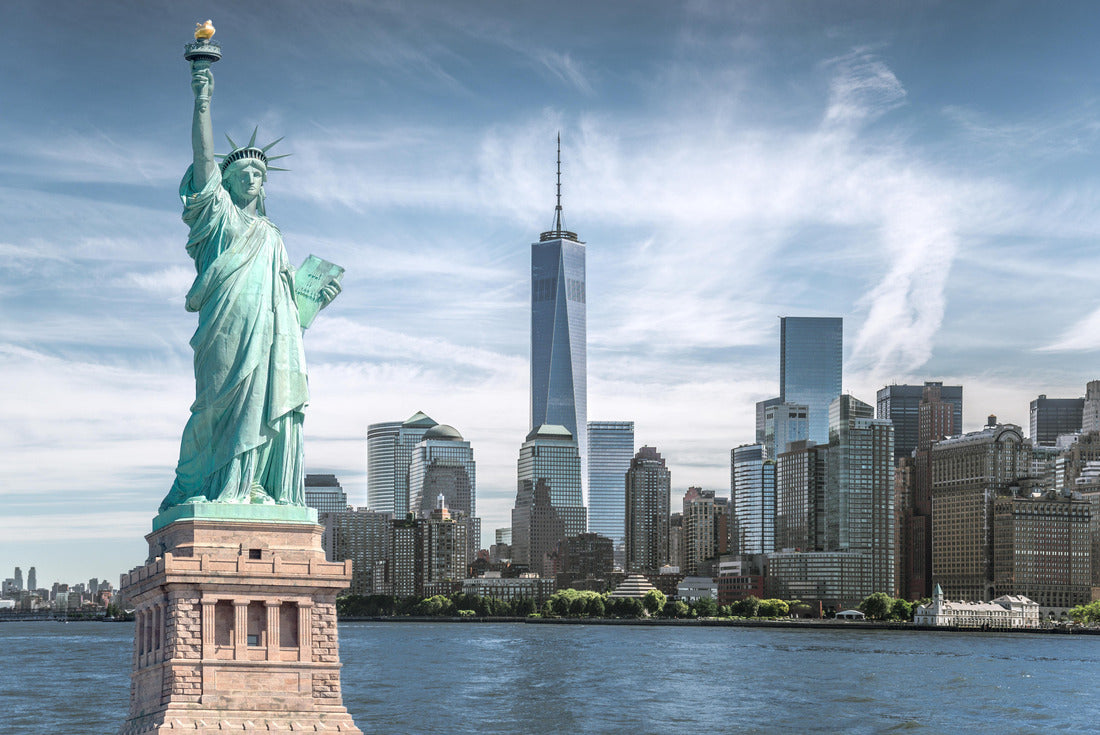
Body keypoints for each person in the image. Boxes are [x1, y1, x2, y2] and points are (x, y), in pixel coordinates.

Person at [159, 64, 339, 513]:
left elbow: (287, 309)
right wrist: (202, 96)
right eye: (243, 172)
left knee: (263, 406)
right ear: (228, 180)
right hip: (224, 328)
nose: (252, 178)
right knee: (213, 409)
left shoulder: (273, 236)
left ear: (264, 184)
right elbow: (203, 159)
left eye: (259, 173)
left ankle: (251, 485)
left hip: (268, 336)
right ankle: (210, 485)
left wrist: (314, 302)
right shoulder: (217, 217)